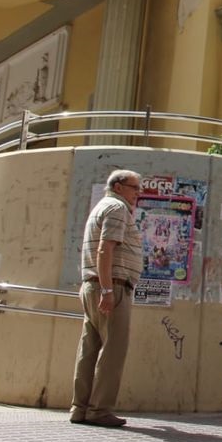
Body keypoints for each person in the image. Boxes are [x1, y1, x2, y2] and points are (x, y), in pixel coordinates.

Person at [70, 169, 143, 427]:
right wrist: (108, 290)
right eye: (135, 187)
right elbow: (105, 248)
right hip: (111, 286)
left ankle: (81, 407)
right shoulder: (116, 208)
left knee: (89, 348)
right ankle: (99, 409)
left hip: (94, 286)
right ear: (120, 186)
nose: (138, 193)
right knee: (113, 349)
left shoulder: (103, 206)